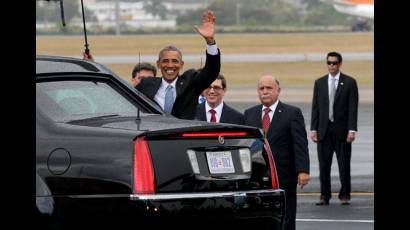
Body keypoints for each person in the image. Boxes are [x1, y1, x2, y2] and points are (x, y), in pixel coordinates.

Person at [244, 75, 310, 230]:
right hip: (256, 178)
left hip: (284, 176)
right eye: (261, 88)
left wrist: (303, 170)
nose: (265, 92)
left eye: (269, 88)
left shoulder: (292, 113)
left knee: (286, 217)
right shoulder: (249, 114)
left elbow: (300, 144)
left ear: (278, 91)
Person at [135, 10, 220, 120]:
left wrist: (210, 41)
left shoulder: (190, 82)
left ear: (181, 64)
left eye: (175, 61)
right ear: (158, 64)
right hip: (153, 134)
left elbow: (211, 71)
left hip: (181, 135)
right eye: (165, 61)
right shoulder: (146, 84)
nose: (170, 65)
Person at [310, 51, 359, 206]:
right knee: (323, 165)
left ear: (340, 64)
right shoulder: (319, 82)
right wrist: (313, 129)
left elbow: (353, 108)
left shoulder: (350, 82)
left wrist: (352, 129)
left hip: (342, 131)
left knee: (344, 165)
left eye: (334, 63)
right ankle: (325, 196)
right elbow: (315, 107)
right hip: (324, 130)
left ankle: (345, 195)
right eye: (329, 63)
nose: (331, 66)